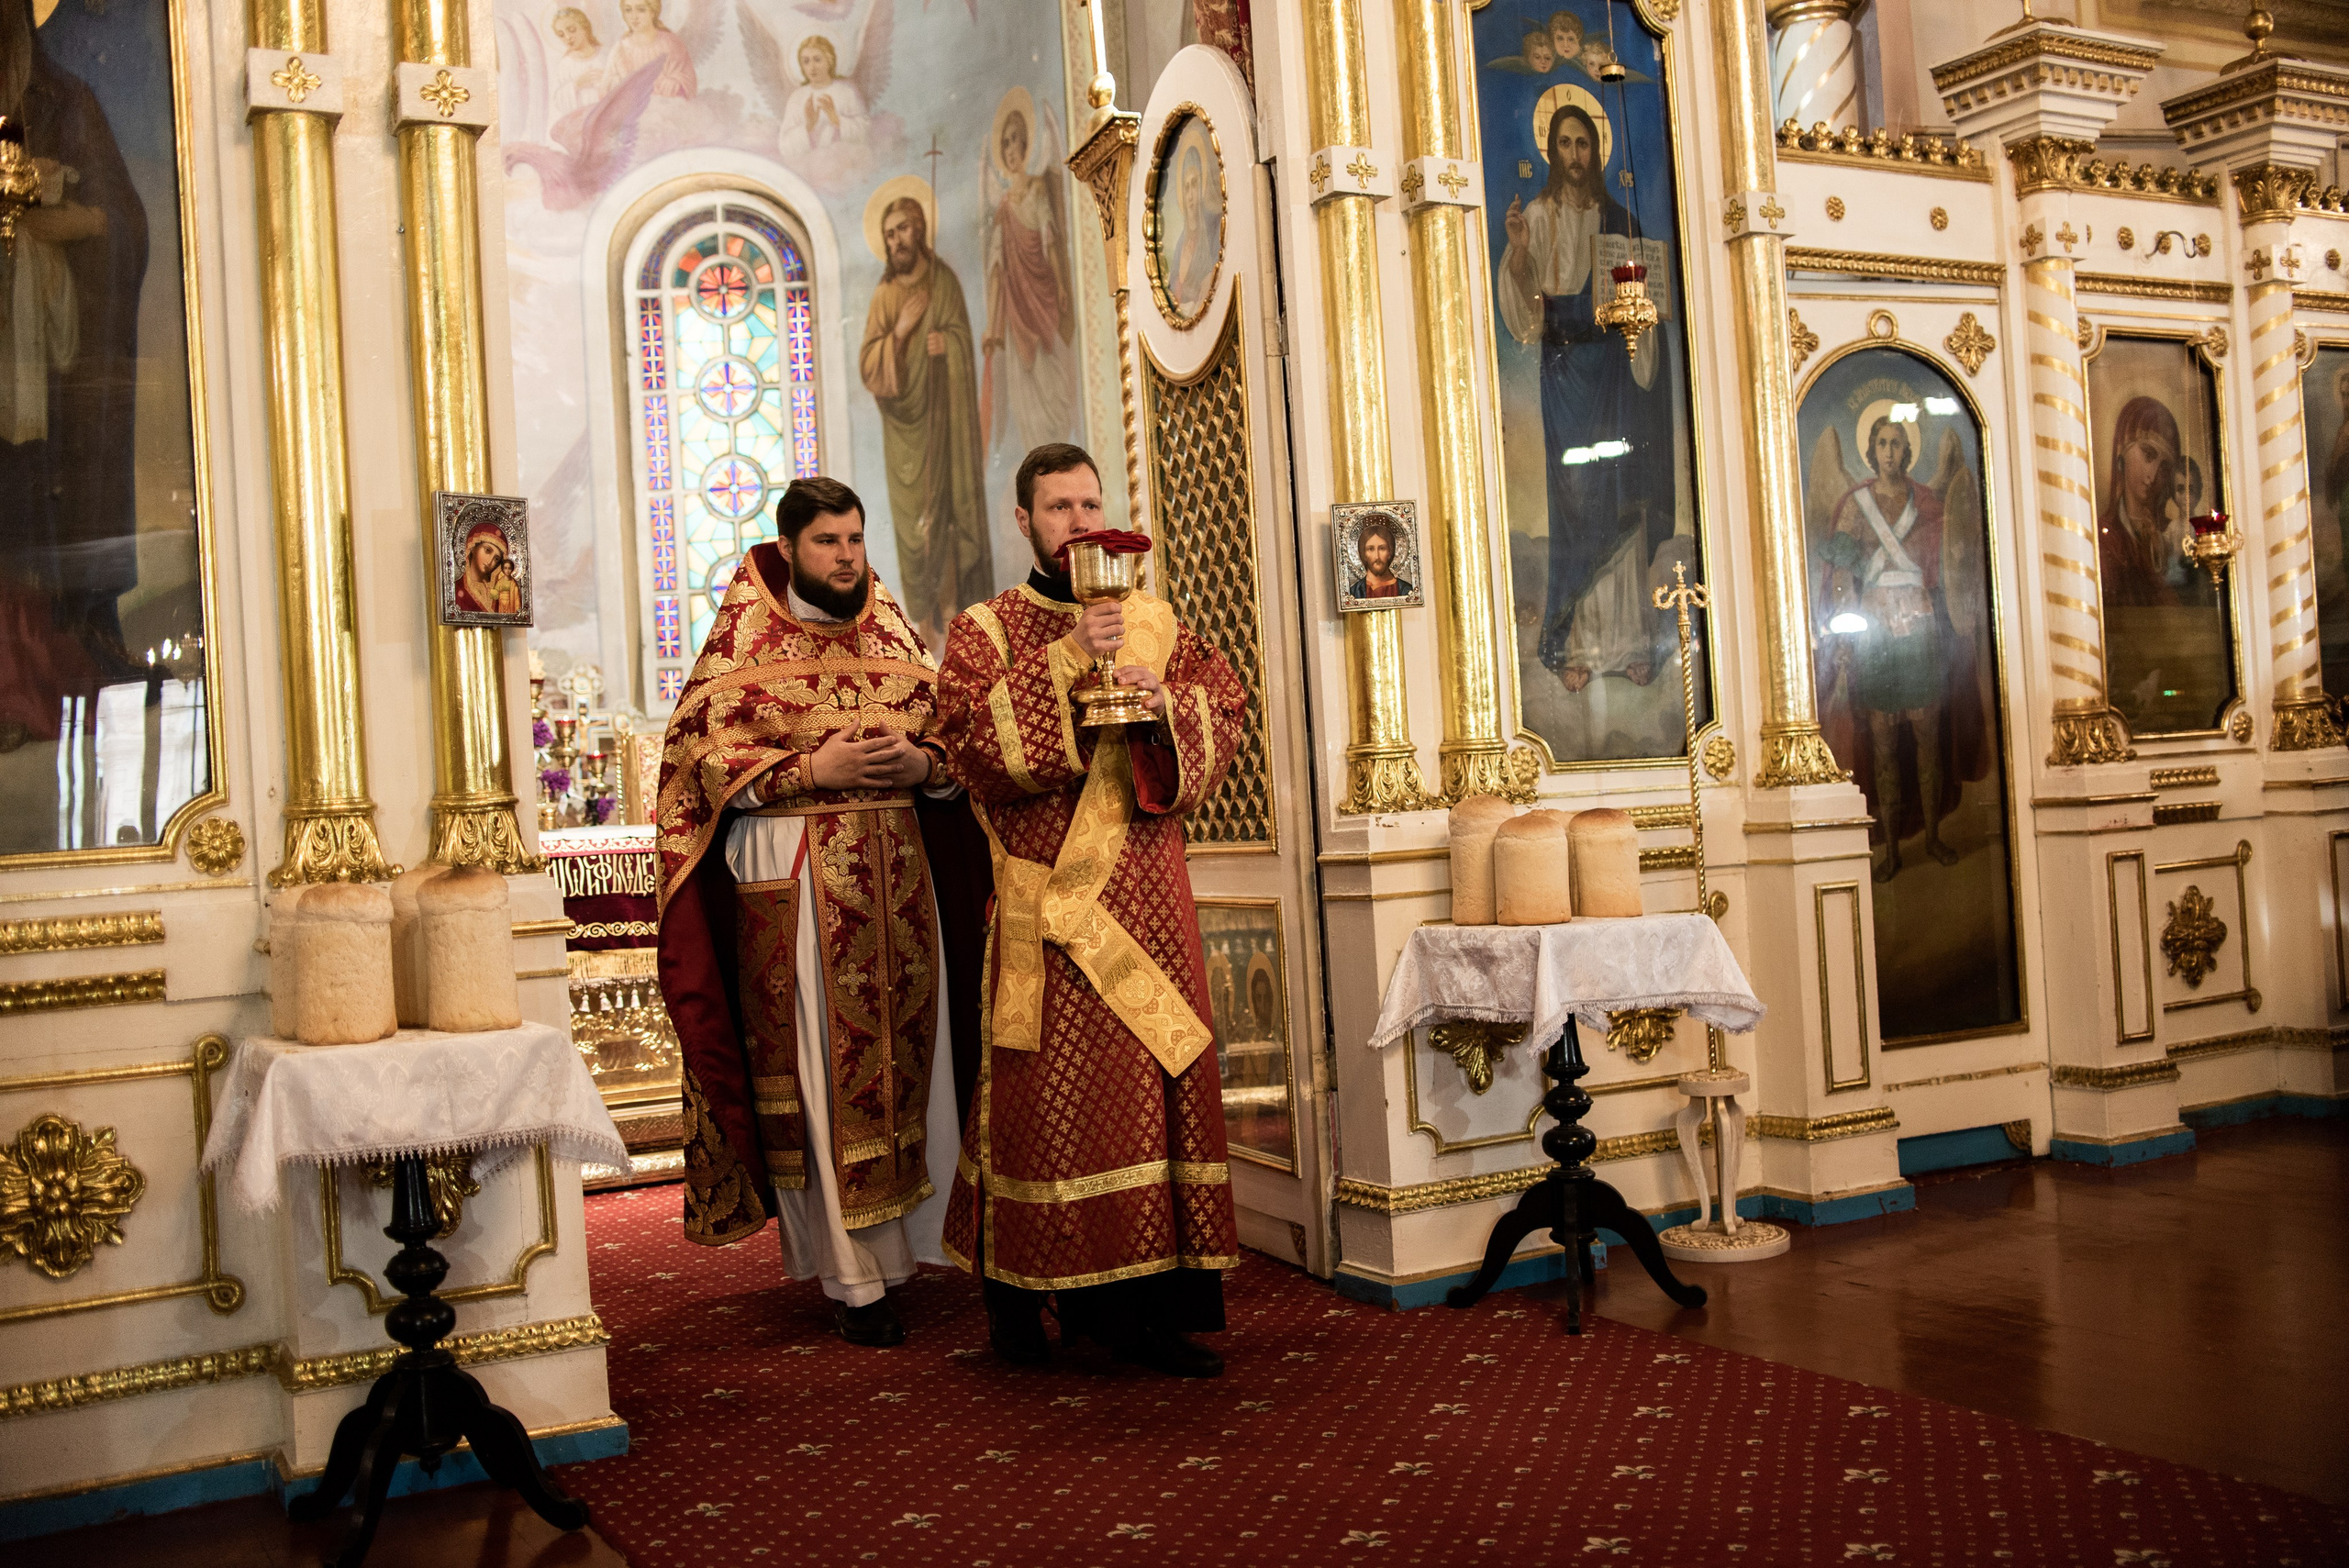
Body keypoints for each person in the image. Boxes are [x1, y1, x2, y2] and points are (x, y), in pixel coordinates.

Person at [933, 442, 1247, 1378]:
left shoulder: (1156, 621)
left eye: (1089, 503)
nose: (1078, 520)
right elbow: (967, 746)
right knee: (1048, 1111)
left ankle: (1154, 1311)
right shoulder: (985, 629)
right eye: (1058, 507)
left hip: (1148, 902)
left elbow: (1225, 707)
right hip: (1051, 916)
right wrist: (1075, 655)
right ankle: (1030, 1306)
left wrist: (1164, 702)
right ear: (1023, 521)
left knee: (1151, 1106)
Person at [655, 476, 963, 1348]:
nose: (847, 557)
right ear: (789, 547)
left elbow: (955, 739)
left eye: (856, 539)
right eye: (829, 542)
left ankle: (911, 1245)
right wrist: (806, 773)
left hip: (900, 884)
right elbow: (694, 763)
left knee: (917, 1063)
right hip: (793, 886)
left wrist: (924, 765)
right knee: (826, 1081)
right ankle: (850, 1273)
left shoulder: (895, 627)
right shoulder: (743, 637)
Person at [1497, 101, 1675, 696]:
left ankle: (1626, 644)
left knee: (1621, 491)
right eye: (1566, 144)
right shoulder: (1540, 215)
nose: (1575, 155)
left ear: (1595, 152)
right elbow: (1526, 319)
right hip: (1566, 370)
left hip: (1613, 374)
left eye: (1583, 144)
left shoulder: (1618, 220)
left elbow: (1647, 303)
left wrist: (1641, 323)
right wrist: (1520, 249)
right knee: (1576, 499)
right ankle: (1574, 643)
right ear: (1553, 150)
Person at [1817, 417, 1984, 883]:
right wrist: (1847, 636)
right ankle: (1891, 849)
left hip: (1920, 631)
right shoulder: (1855, 505)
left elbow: (1952, 560)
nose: (1890, 451)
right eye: (1882, 444)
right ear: (1871, 452)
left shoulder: (1927, 502)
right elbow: (1841, 574)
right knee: (1886, 745)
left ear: (1908, 452)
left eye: (1897, 444)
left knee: (1928, 741)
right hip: (1875, 636)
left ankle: (1931, 837)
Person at [858, 194, 995, 651]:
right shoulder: (885, 297)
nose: (897, 239)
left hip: (945, 429)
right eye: (890, 232)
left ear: (919, 230)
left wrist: (947, 346)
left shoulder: (944, 283)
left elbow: (962, 345)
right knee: (917, 533)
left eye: (904, 228)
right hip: (905, 437)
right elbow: (871, 370)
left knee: (949, 521)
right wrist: (901, 332)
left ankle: (959, 623)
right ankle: (926, 632)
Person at [981, 104, 1078, 459]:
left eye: (1015, 141)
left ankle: (1062, 452)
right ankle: (1037, 465)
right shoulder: (1003, 207)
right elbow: (995, 269)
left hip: (1043, 295)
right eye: (1004, 143)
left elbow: (1050, 238)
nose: (1009, 149)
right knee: (1024, 387)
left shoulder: (1038, 189)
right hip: (1016, 309)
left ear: (1026, 146)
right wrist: (992, 326)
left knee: (1053, 384)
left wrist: (1062, 283)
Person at [2096, 395, 2185, 608]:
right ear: (2122, 452)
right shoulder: (2103, 535)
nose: (2152, 476)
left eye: (2164, 468)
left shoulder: (2172, 534)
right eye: (2148, 455)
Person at [776, 34, 868, 158]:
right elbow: (784, 145)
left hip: (843, 163)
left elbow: (865, 132)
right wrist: (809, 126)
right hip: (808, 165)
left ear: (829, 60)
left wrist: (835, 118)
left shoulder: (846, 93)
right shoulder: (797, 98)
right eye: (806, 61)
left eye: (817, 59)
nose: (812, 67)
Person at [596, 0, 694, 100]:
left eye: (641, 10)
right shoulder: (620, 49)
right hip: (632, 111)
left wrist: (676, 81)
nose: (634, 17)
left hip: (667, 107)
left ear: (653, 12)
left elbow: (689, 80)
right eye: (628, 10)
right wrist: (615, 83)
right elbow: (604, 89)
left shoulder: (671, 43)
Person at [452, 518, 522, 617]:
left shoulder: (498, 593)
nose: (490, 561)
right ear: (473, 547)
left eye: (496, 559)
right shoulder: (456, 590)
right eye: (487, 550)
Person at [1347, 514, 1413, 600]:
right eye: (1370, 549)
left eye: (1382, 548)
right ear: (1363, 554)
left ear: (1390, 552)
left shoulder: (1406, 591)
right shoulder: (1354, 592)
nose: (1377, 556)